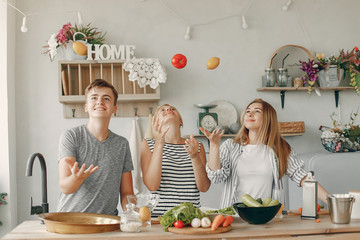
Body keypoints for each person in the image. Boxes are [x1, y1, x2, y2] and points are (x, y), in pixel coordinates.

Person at [202, 98, 328, 209]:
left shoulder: (279, 149)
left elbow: (303, 177)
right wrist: (213, 145)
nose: (250, 113)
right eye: (247, 111)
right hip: (234, 218)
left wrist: (332, 201)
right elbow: (216, 177)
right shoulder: (230, 146)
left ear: (268, 118)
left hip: (267, 218)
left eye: (257, 111)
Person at [57, 79, 134, 215]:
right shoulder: (71, 136)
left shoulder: (122, 144)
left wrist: (133, 212)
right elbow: (65, 186)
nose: (100, 102)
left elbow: (127, 193)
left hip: (107, 222)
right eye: (94, 98)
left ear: (114, 108)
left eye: (106, 98)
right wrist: (76, 178)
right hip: (71, 220)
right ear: (86, 107)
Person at [141, 104, 211, 216]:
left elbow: (204, 187)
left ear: (180, 122)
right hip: (160, 218)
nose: (168, 109)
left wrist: (194, 157)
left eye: (173, 109)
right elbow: (152, 185)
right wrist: (159, 144)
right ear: (156, 122)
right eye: (162, 110)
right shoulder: (148, 144)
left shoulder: (196, 146)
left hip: (191, 217)